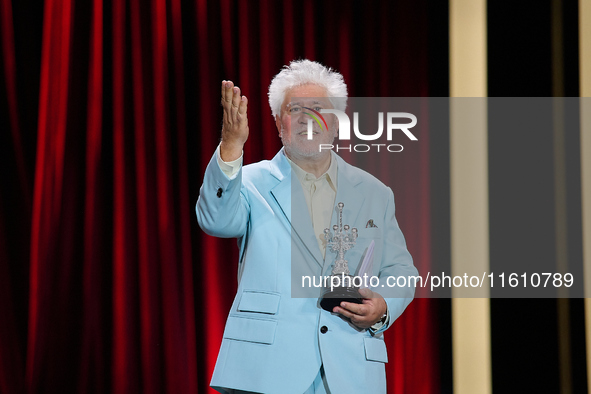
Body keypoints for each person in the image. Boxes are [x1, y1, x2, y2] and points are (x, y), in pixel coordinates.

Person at [196, 60, 418, 394]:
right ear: (277, 123)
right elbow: (215, 221)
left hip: (350, 371)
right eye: (295, 108)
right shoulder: (250, 181)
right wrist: (231, 147)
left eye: (318, 108)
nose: (307, 117)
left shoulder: (374, 192)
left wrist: (383, 306)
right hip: (267, 371)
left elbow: (401, 270)